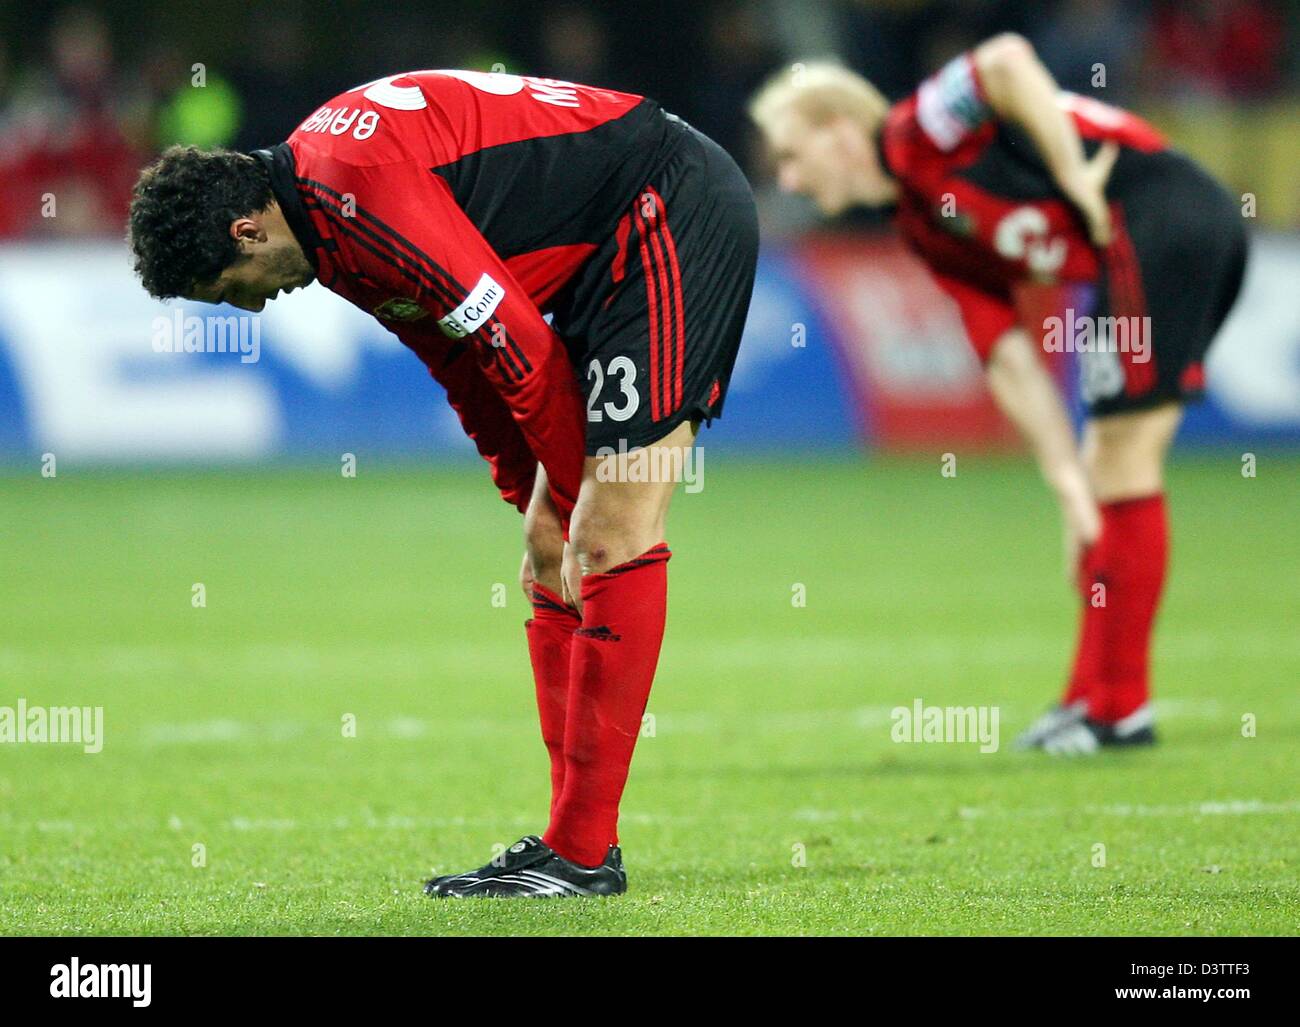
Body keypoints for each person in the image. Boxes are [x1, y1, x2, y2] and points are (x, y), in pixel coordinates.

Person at [129, 69, 758, 893]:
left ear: (246, 231)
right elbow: (461, 361)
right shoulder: (325, 224)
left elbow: (520, 347)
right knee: (545, 544)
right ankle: (573, 844)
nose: (250, 310)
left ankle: (577, 854)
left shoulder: (356, 191)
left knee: (605, 537)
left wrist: (573, 504)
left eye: (227, 292)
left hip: (669, 210)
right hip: (602, 252)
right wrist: (532, 496)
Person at [748, 35, 1246, 754]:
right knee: (1104, 478)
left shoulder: (918, 128)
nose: (789, 180)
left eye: (791, 155)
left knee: (1123, 463)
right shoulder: (924, 226)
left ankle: (1118, 710)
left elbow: (1007, 59)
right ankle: (1089, 697)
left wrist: (1073, 174)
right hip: (1151, 239)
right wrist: (1064, 481)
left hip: (1162, 217)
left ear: (836, 128)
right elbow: (1009, 358)